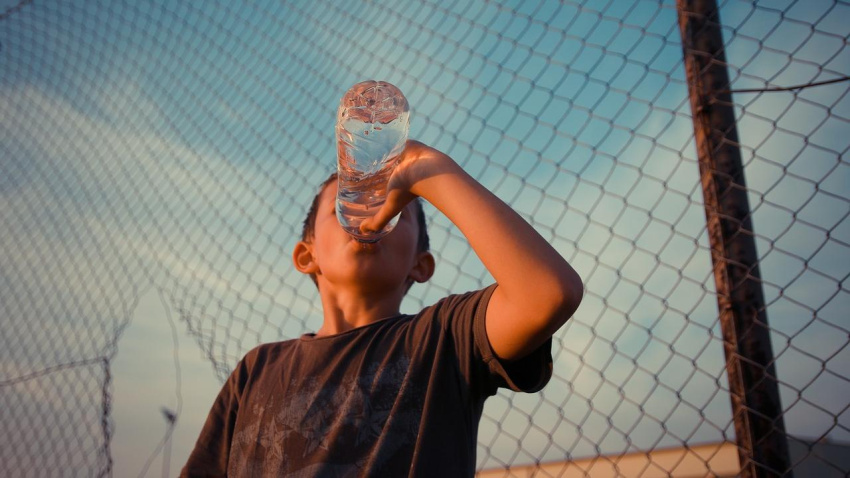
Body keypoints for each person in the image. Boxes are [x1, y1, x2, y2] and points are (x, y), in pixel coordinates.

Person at [181, 140, 583, 477]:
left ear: (420, 265)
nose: (369, 212)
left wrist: (430, 172)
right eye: (348, 201)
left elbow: (548, 293)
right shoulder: (256, 370)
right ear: (307, 255)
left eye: (394, 206)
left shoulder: (445, 339)